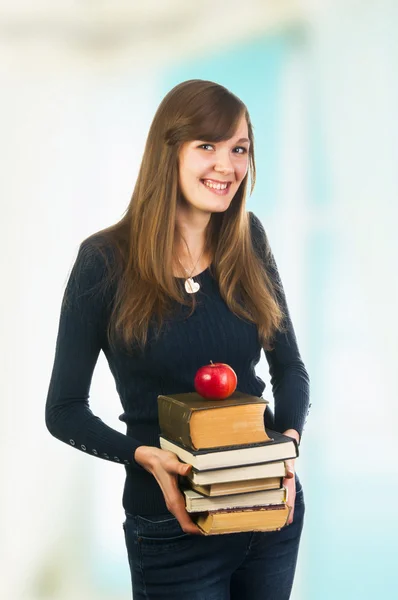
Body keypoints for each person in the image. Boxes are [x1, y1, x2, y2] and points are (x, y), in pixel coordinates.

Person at [45, 79, 310, 600]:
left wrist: (288, 445)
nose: (226, 166)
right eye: (206, 146)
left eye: (239, 149)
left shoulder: (249, 240)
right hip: (171, 525)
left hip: (269, 518)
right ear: (169, 152)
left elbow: (290, 369)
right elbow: (64, 409)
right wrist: (142, 455)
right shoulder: (104, 261)